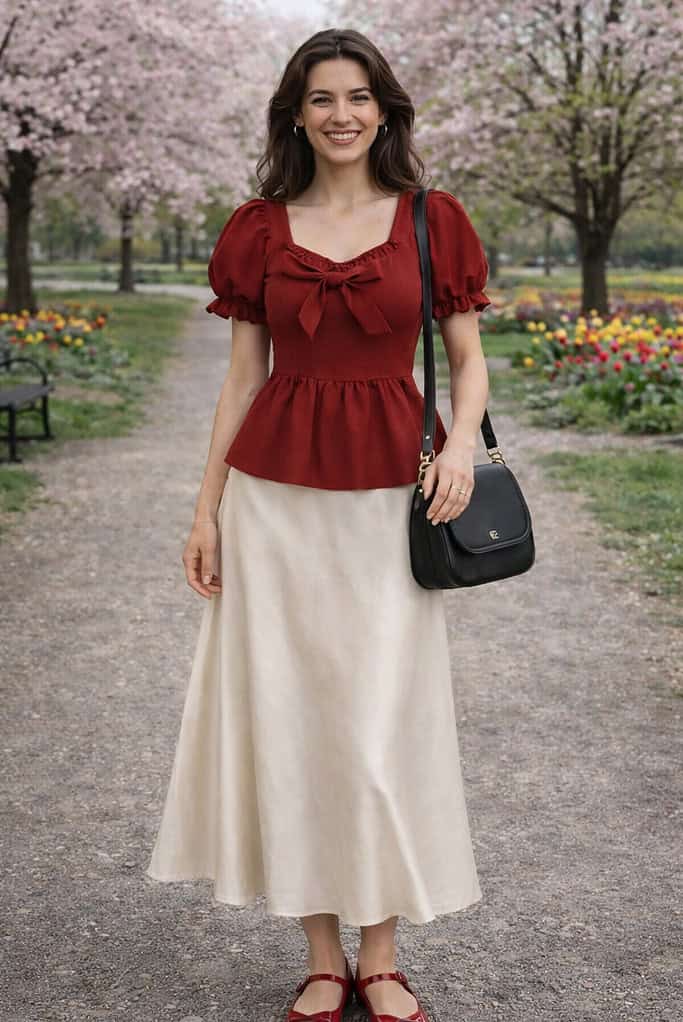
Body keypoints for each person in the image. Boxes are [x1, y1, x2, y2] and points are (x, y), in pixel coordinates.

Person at [145, 26, 491, 1022]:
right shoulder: (257, 228)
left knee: (381, 720)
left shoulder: (432, 220)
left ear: (384, 109)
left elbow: (465, 359)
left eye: (357, 95)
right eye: (320, 97)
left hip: (392, 495)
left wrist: (458, 443)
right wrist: (205, 507)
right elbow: (241, 375)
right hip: (276, 503)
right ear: (295, 114)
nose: (341, 113)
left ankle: (381, 952)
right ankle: (321, 954)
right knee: (293, 719)